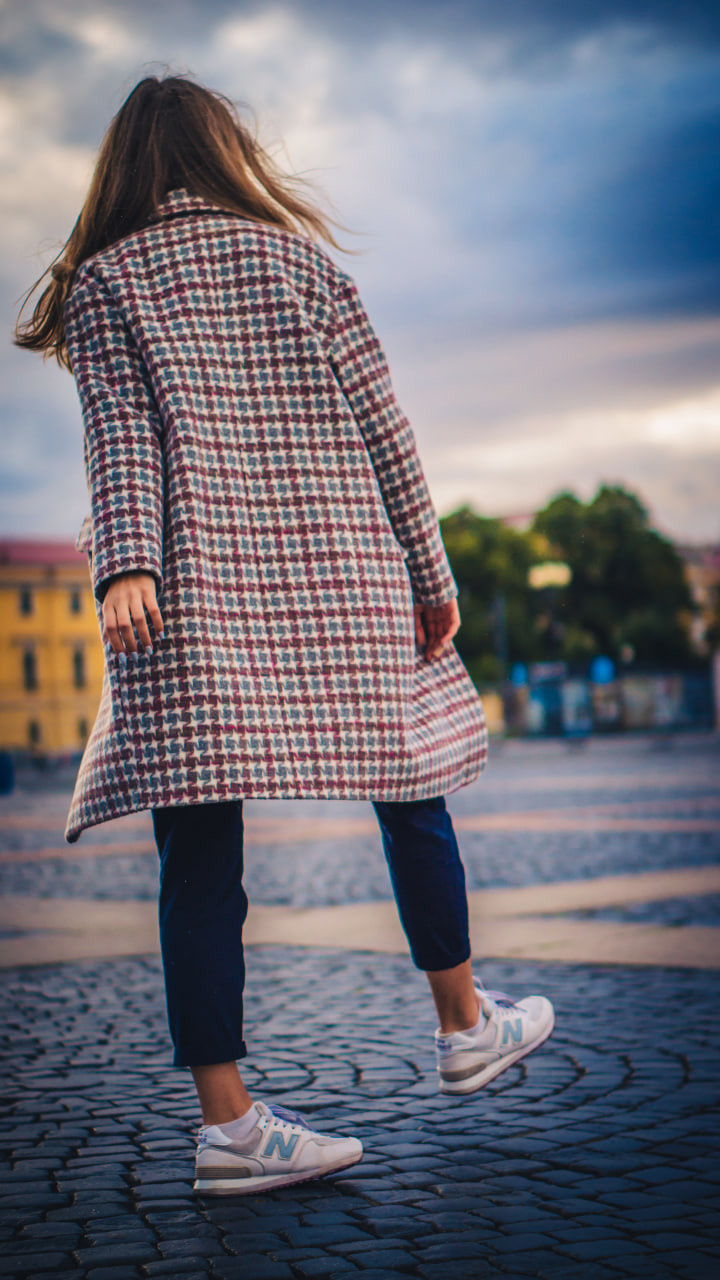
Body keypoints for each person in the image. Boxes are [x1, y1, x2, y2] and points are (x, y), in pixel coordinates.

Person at [15, 73, 555, 1197]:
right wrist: (431, 568)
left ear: (121, 168)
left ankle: (229, 1121)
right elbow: (388, 428)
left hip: (199, 583)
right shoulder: (304, 262)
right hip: (341, 566)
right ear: (225, 154)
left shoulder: (109, 278)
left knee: (199, 855)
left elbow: (122, 433)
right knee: (411, 785)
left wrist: (126, 562)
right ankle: (464, 1020)